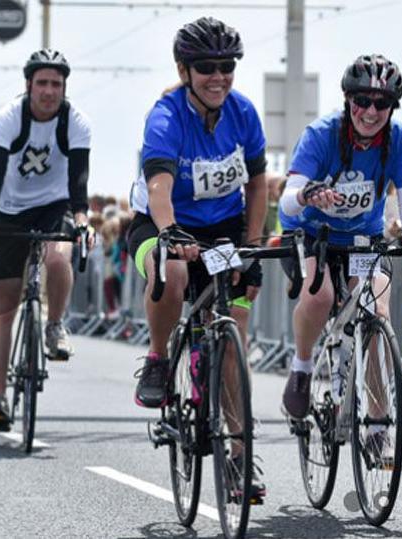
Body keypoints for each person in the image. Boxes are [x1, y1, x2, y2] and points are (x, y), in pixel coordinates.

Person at [126, 17, 267, 497]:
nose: (218, 76)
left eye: (226, 66)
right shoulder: (165, 116)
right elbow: (158, 189)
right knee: (172, 271)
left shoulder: (243, 113)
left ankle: (241, 457)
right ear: (185, 70)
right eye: (206, 67)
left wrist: (251, 244)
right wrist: (170, 234)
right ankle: (158, 359)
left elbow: (257, 184)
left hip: (224, 227)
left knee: (232, 341)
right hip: (162, 222)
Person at [277, 54, 402, 458]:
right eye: (362, 100)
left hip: (362, 238)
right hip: (313, 233)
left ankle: (376, 422)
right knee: (320, 295)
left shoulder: (399, 140)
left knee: (377, 311)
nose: (371, 111)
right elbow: (288, 200)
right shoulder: (322, 134)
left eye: (382, 103)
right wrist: (309, 194)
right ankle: (303, 368)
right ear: (347, 100)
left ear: (392, 107)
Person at [0, 49, 92, 432]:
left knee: (59, 258)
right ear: (28, 86)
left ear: (64, 88)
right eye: (41, 83)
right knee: (4, 304)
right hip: (9, 209)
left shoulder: (75, 122)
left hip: (54, 204)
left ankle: (55, 325)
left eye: (56, 84)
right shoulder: (9, 118)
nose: (48, 91)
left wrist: (81, 218)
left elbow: (79, 177)